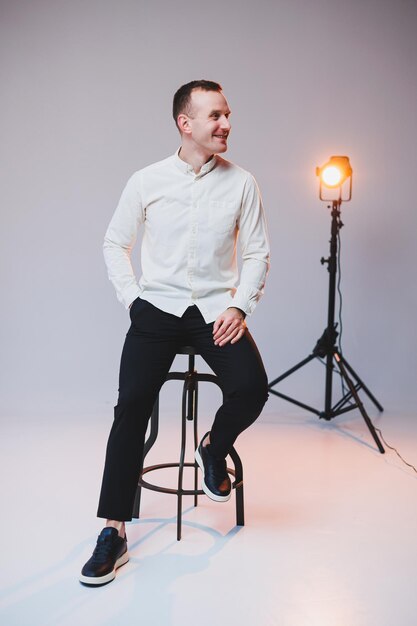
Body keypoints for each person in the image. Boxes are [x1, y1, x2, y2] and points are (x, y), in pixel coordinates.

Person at [79, 80, 270, 586]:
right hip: (156, 311)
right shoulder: (146, 180)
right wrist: (133, 299)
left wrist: (240, 305)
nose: (226, 124)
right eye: (215, 116)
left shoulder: (242, 183)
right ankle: (113, 531)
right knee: (131, 409)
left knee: (252, 387)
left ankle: (213, 446)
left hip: (215, 311)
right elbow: (114, 243)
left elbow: (256, 254)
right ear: (186, 124)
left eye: (227, 114)